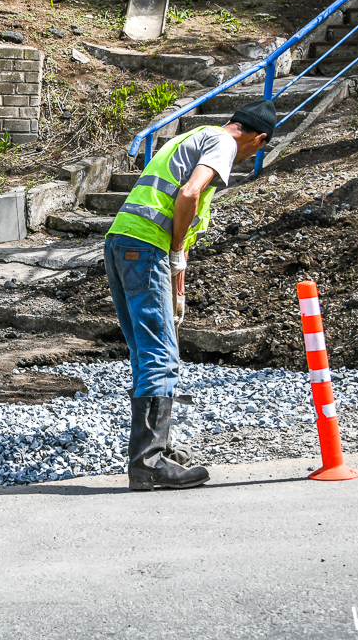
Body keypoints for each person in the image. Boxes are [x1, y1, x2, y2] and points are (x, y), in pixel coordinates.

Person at [105, 99, 276, 491]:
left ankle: (156, 448)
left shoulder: (192, 137)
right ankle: (148, 462)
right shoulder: (224, 143)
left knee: (144, 351)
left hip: (122, 243)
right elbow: (188, 194)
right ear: (259, 138)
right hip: (148, 246)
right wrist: (176, 249)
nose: (250, 156)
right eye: (258, 149)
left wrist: (177, 272)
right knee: (160, 355)